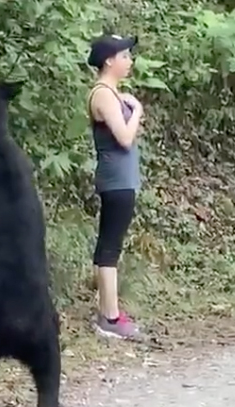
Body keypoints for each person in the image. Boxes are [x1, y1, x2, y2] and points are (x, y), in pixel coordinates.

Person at [86, 35, 145, 340]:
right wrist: (137, 111)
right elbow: (124, 137)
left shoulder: (112, 94)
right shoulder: (103, 95)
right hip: (116, 180)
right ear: (109, 60)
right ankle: (110, 317)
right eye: (125, 56)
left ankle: (108, 313)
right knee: (110, 248)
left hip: (121, 179)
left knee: (110, 247)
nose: (129, 61)